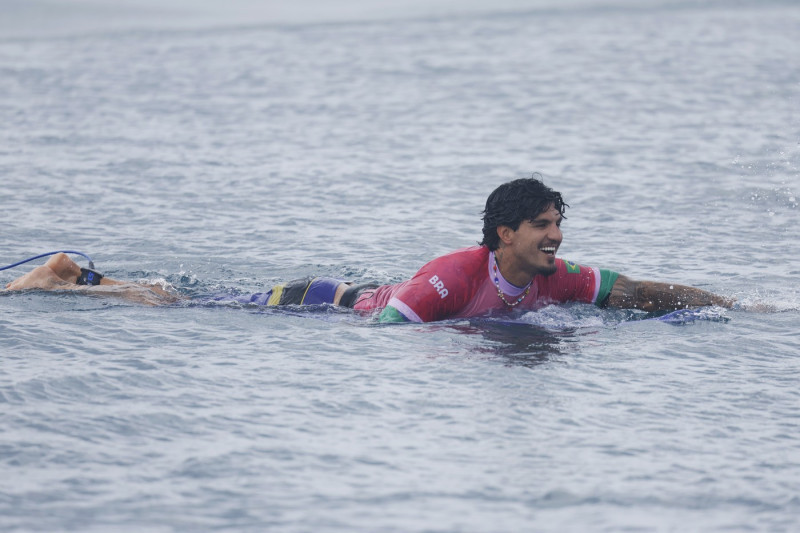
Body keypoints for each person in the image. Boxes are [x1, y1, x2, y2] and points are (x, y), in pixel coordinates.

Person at [4, 177, 732, 319]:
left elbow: (635, 291)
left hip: (377, 297)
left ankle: (83, 272)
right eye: (542, 224)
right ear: (505, 234)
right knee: (176, 304)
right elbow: (386, 331)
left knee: (177, 297)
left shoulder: (560, 276)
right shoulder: (450, 277)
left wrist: (729, 304)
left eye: (557, 222)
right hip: (322, 301)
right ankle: (67, 277)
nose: (557, 236)